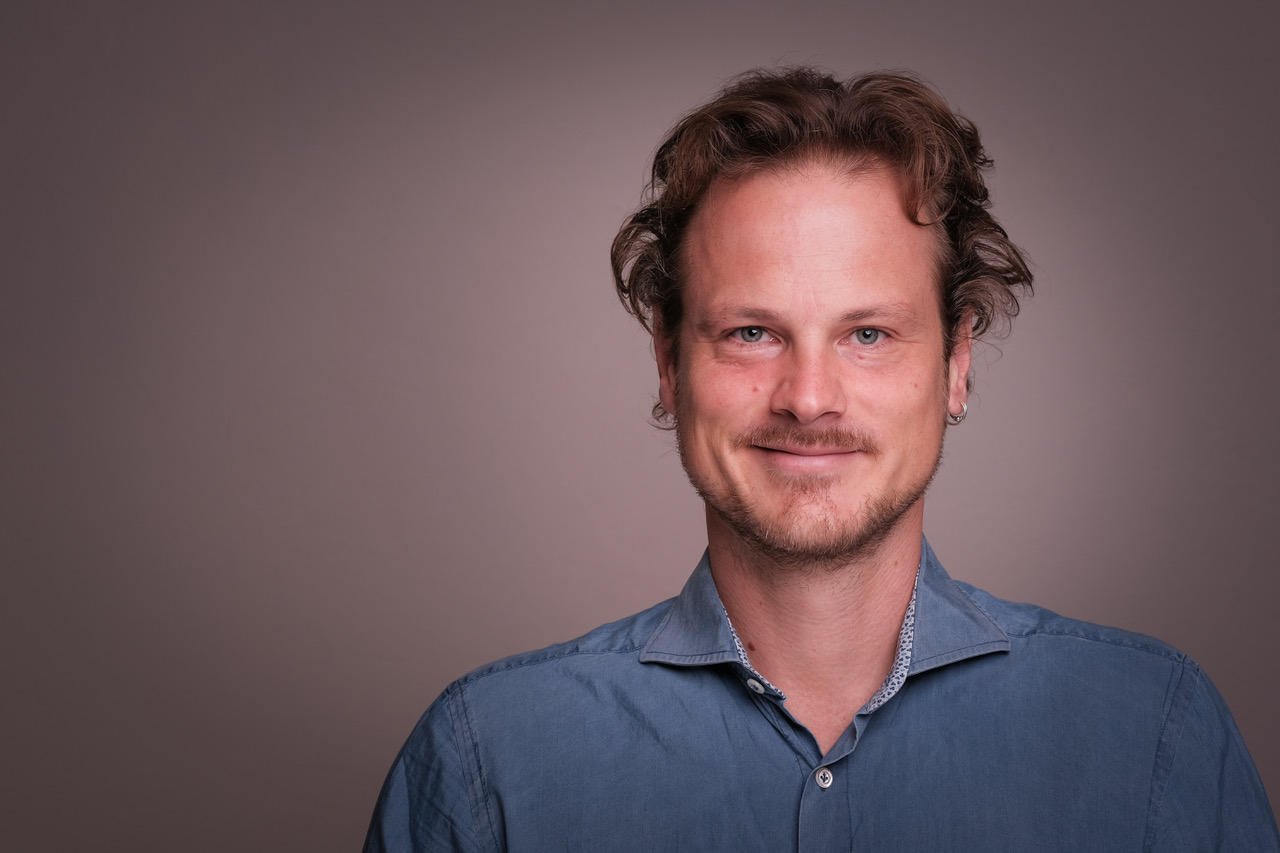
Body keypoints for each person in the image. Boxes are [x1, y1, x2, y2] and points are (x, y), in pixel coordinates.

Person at [364, 67, 1278, 851]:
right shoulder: (490, 759)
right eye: (751, 331)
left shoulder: (1155, 736)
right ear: (669, 363)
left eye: (868, 333)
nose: (808, 398)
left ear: (956, 365)